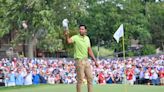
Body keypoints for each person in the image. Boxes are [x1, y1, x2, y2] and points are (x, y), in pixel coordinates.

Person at [64, 24, 98, 92]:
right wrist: (67, 35)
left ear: (85, 30)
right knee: (80, 80)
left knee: (90, 78)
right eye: (80, 29)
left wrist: (95, 61)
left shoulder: (87, 38)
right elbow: (68, 41)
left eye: (82, 29)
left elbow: (89, 50)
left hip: (86, 61)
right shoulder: (76, 37)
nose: (81, 30)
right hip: (79, 61)